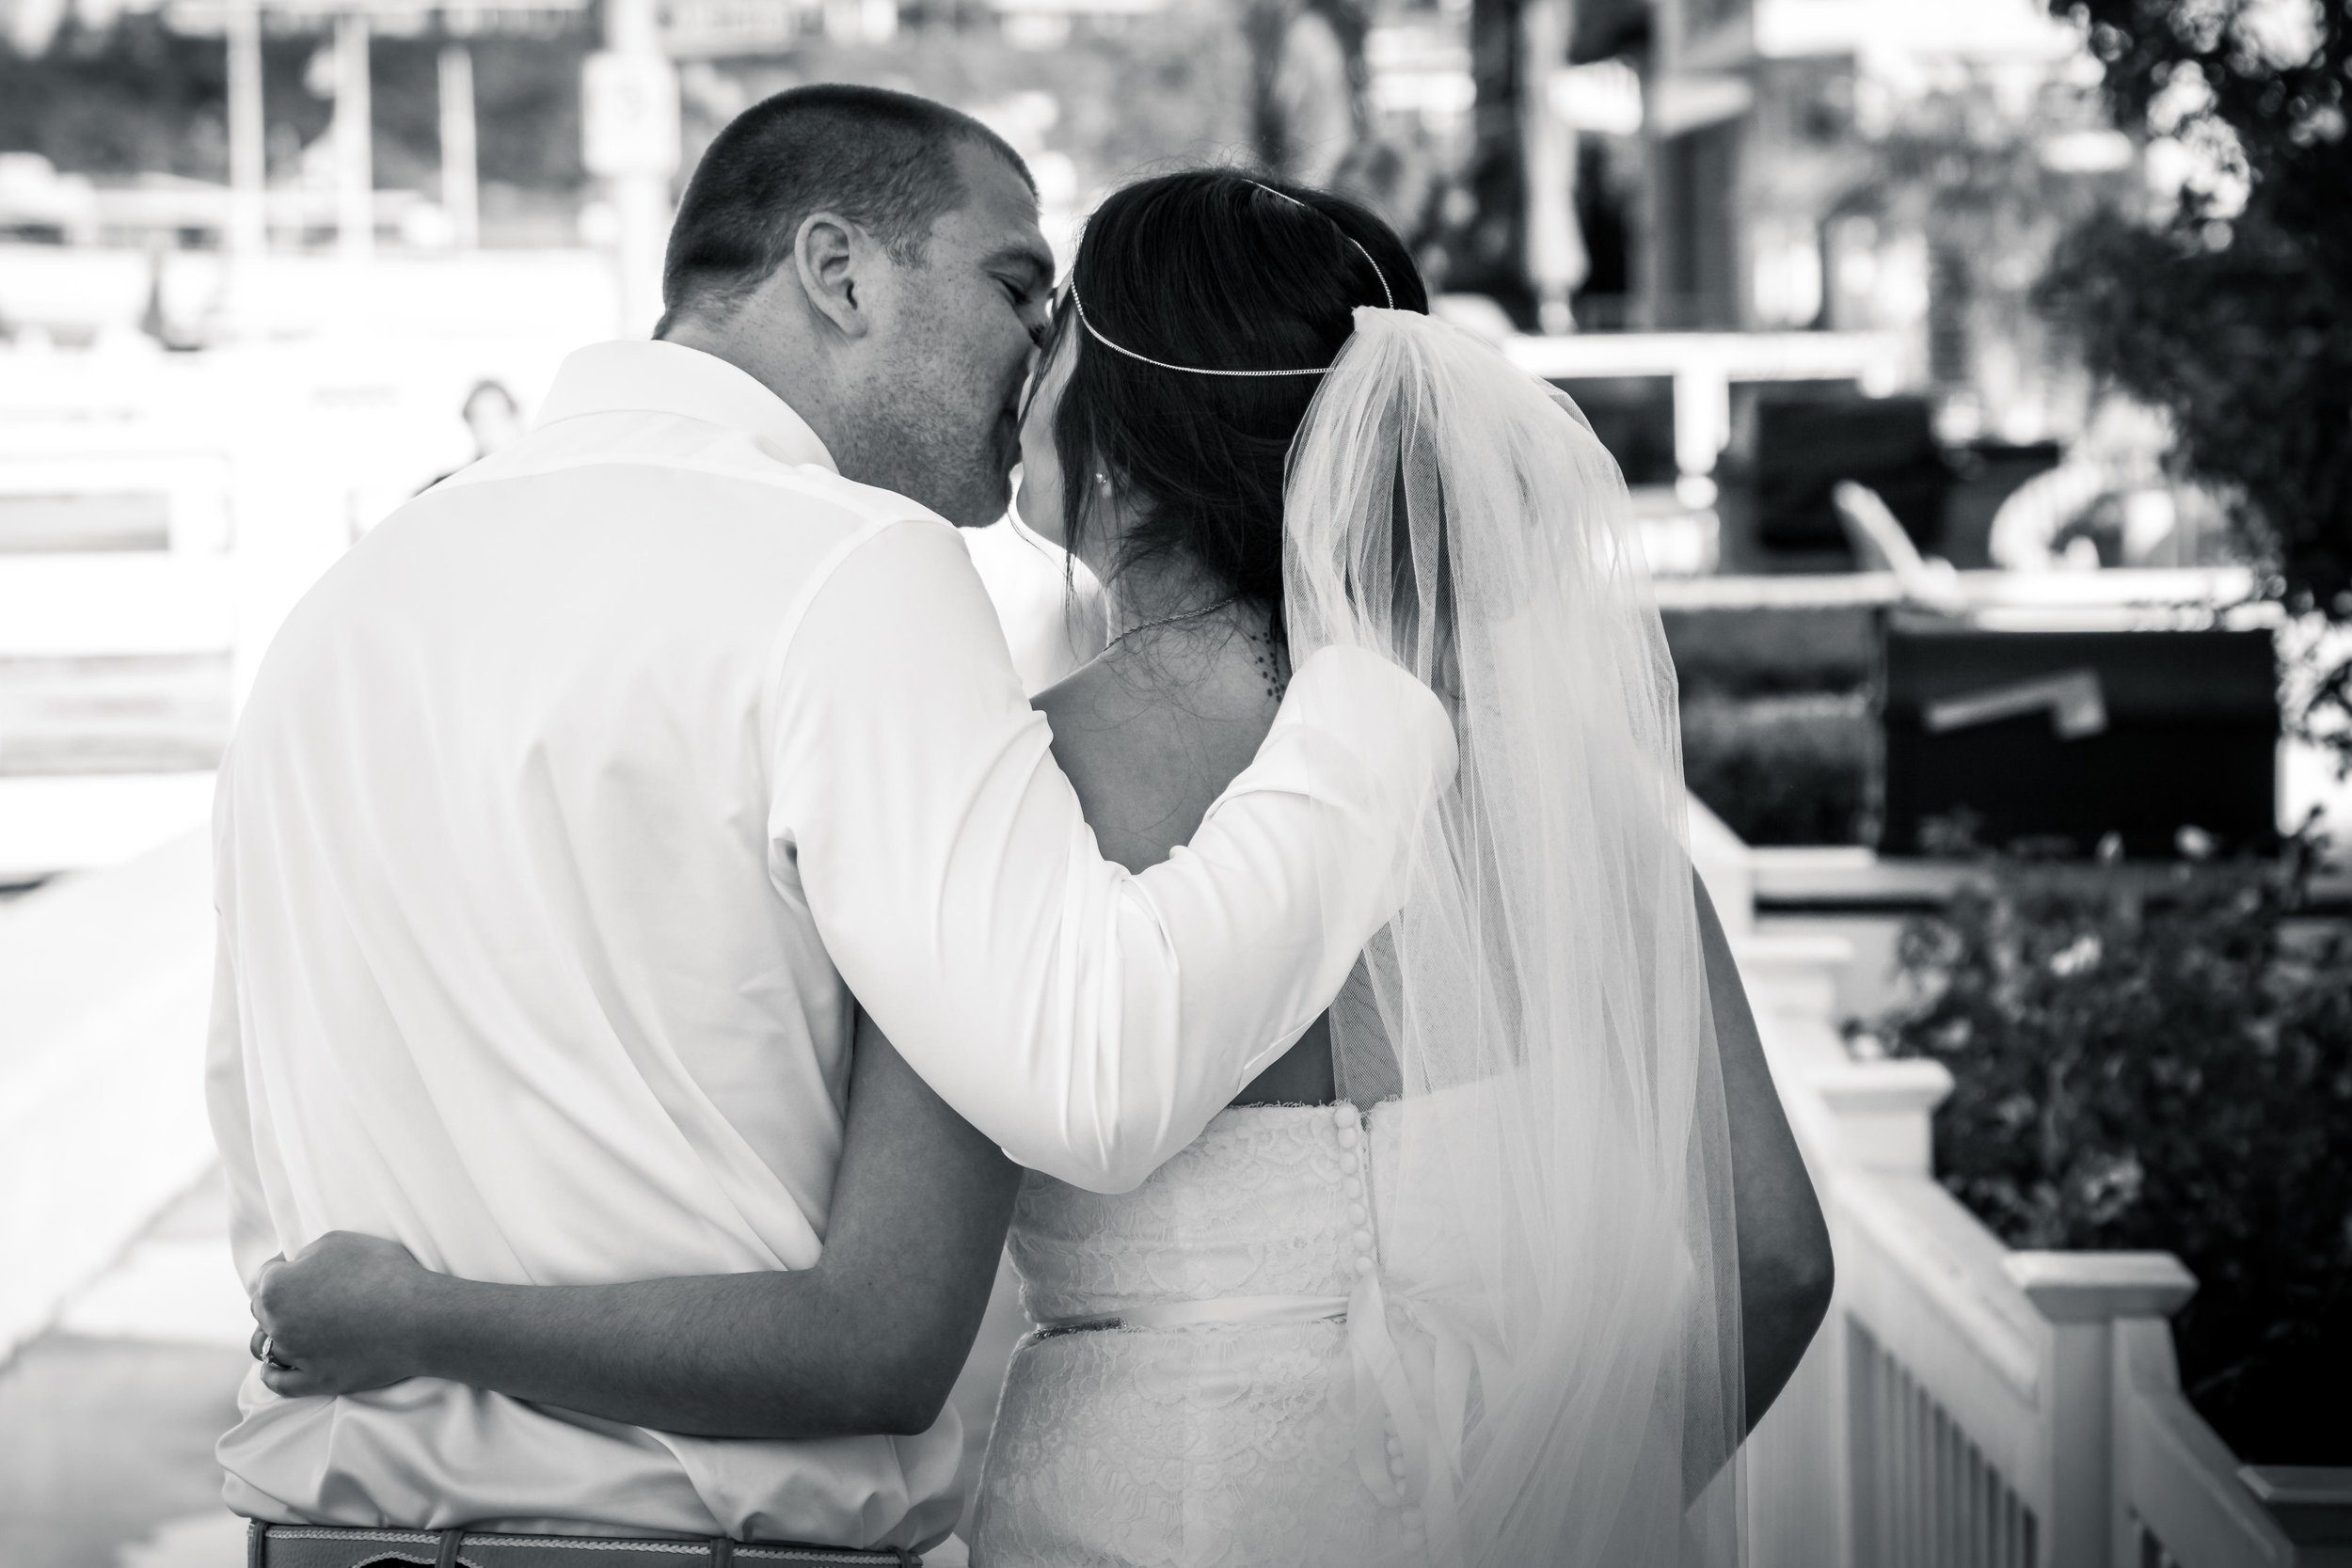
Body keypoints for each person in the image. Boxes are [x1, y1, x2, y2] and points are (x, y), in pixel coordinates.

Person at [249, 171, 1835, 1567]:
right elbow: (1774, 1261)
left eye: (1050, 321)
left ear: (1130, 427)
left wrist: (421, 1314)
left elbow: (880, 1320)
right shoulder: (1585, 814)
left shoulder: (1018, 778)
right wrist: (1576, 1514)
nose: (1024, 368)